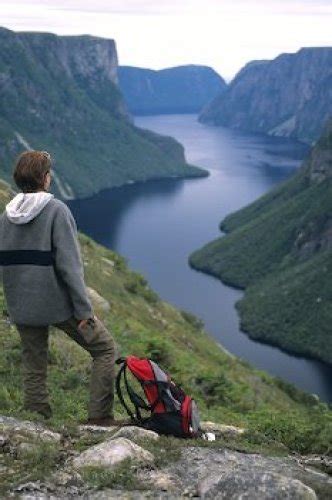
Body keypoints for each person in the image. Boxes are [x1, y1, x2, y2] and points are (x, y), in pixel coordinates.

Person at [0, 150, 125, 426]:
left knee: (34, 364)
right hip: (57, 304)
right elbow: (70, 267)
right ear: (45, 178)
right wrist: (84, 311)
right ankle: (99, 417)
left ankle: (36, 421)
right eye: (49, 173)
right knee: (105, 350)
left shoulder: (5, 217)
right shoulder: (56, 211)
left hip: (22, 305)